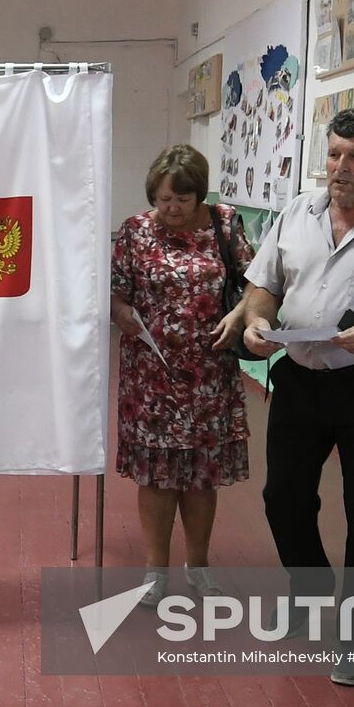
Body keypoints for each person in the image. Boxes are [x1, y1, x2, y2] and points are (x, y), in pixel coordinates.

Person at [239, 107, 354, 686]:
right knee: (283, 497)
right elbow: (264, 286)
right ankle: (309, 592)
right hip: (299, 377)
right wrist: (257, 323)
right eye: (334, 154)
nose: (339, 167)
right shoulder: (298, 211)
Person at [110, 144, 253, 606]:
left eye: (182, 200)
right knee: (156, 476)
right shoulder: (135, 231)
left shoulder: (225, 224)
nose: (171, 209)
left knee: (201, 476)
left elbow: (256, 283)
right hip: (150, 376)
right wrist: (121, 311)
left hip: (209, 372)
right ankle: (156, 570)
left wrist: (241, 317)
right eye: (163, 199)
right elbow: (115, 291)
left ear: (200, 195)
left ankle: (199, 565)